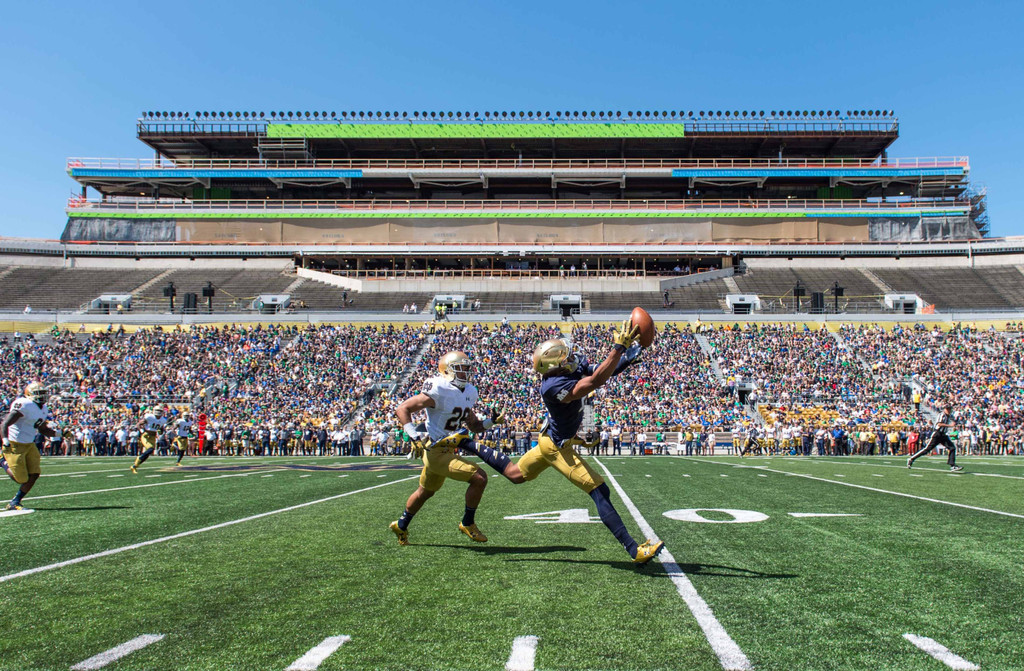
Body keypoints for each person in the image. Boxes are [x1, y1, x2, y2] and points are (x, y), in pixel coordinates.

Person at [466, 325, 664, 564]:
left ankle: (470, 444)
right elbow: (594, 382)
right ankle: (634, 550)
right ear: (553, 366)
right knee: (599, 490)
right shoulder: (551, 387)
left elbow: (601, 371)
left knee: (516, 474)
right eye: (563, 357)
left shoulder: (568, 368)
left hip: (553, 437)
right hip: (556, 446)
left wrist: (630, 354)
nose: (570, 357)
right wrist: (618, 349)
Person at [389, 351, 499, 546]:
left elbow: (474, 426)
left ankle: (401, 524)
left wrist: (492, 421)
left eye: (467, 368)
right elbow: (402, 408)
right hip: (436, 450)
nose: (466, 372)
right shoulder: (439, 388)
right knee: (479, 477)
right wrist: (413, 435)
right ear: (447, 370)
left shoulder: (469, 392)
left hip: (446, 450)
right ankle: (468, 523)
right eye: (461, 368)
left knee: (425, 492)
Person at [1, 382, 55, 510]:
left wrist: (60, 433)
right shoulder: (25, 404)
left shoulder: (43, 408)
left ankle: (16, 501)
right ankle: (1, 459)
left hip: (29, 444)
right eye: (39, 393)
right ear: (30, 394)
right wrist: (5, 440)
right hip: (15, 443)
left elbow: (42, 429)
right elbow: (4, 424)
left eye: (44, 393)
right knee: (20, 478)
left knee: (34, 474)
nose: (43, 396)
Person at [907, 405, 963, 472]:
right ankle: (911, 459)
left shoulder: (948, 416)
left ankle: (952, 465)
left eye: (950, 409)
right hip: (937, 434)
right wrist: (950, 425)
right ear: (944, 409)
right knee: (927, 449)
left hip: (943, 435)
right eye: (947, 409)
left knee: (952, 448)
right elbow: (939, 424)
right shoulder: (941, 415)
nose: (949, 411)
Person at [130, 406, 168, 473]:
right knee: (150, 449)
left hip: (153, 437)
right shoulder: (149, 417)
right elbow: (139, 424)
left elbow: (161, 429)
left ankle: (135, 466)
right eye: (157, 410)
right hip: (146, 435)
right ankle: (137, 460)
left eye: (160, 411)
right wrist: (141, 431)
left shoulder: (163, 420)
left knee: (149, 453)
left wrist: (160, 431)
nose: (159, 412)